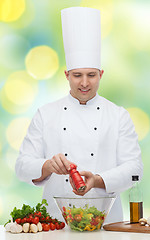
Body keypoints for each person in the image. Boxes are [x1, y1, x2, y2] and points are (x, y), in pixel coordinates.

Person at [15, 7, 143, 223]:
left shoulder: (118, 115)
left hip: (106, 224)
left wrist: (98, 179)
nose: (84, 83)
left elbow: (134, 168)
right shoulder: (46, 114)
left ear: (101, 74)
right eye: (77, 75)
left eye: (91, 75)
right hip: (55, 224)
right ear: (66, 75)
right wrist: (46, 166)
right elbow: (21, 166)